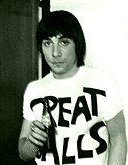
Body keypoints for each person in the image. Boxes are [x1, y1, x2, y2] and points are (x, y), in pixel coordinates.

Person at [18, 10, 127, 165]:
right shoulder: (34, 90)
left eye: (64, 42)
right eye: (48, 43)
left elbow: (118, 138)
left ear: (77, 43)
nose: (55, 53)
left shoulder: (102, 83)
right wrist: (32, 143)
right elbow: (23, 153)